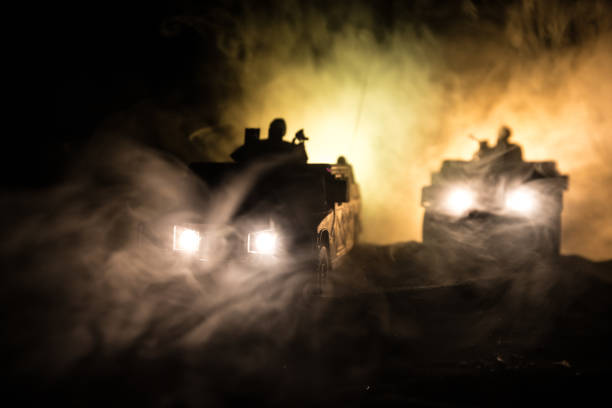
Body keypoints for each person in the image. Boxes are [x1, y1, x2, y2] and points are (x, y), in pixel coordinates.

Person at [231, 118, 308, 163]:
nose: (276, 131)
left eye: (278, 129)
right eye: (275, 128)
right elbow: (237, 156)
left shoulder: (289, 147)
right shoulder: (257, 145)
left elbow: (303, 160)